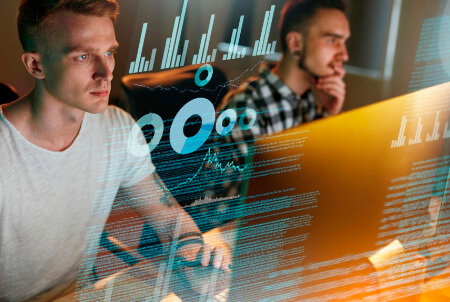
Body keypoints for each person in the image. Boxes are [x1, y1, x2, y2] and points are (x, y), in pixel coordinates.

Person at [0, 0, 230, 301]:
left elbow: (169, 218)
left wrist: (195, 260)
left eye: (109, 52)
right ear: (36, 65)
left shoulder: (117, 127)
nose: (106, 72)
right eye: (83, 56)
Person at [199, 0, 350, 227]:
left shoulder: (309, 100)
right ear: (296, 43)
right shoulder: (246, 108)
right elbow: (270, 200)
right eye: (332, 40)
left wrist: (328, 114)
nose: (344, 55)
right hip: (226, 238)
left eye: (344, 43)